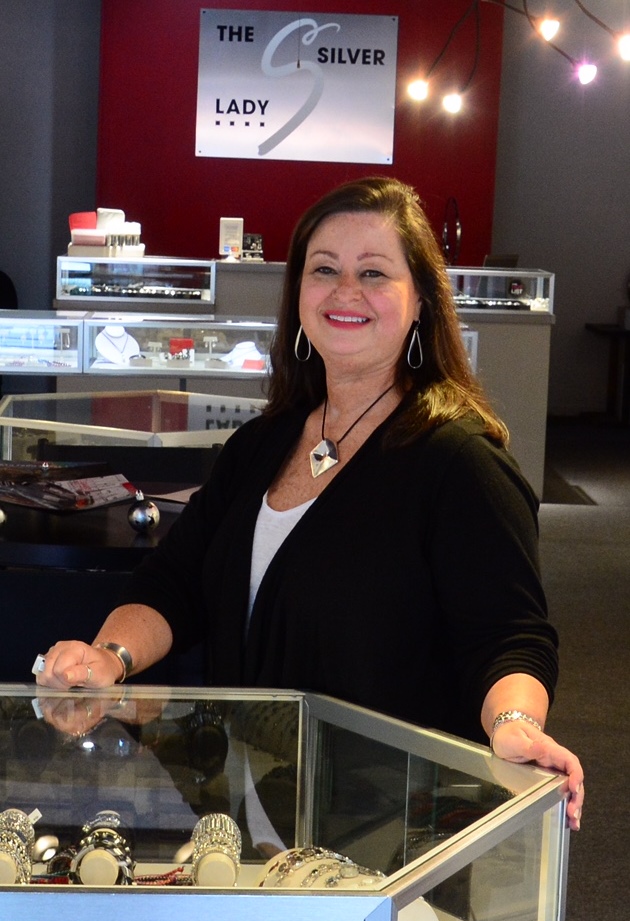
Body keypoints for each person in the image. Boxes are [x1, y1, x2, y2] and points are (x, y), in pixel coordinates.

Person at [34, 177, 583, 830]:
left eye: (373, 272)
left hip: (385, 834)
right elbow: (174, 582)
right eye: (324, 269)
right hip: (246, 815)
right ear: (299, 293)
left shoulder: (460, 463)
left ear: (420, 302)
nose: (346, 291)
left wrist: (515, 723)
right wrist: (108, 656)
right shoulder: (262, 444)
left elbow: (508, 636)